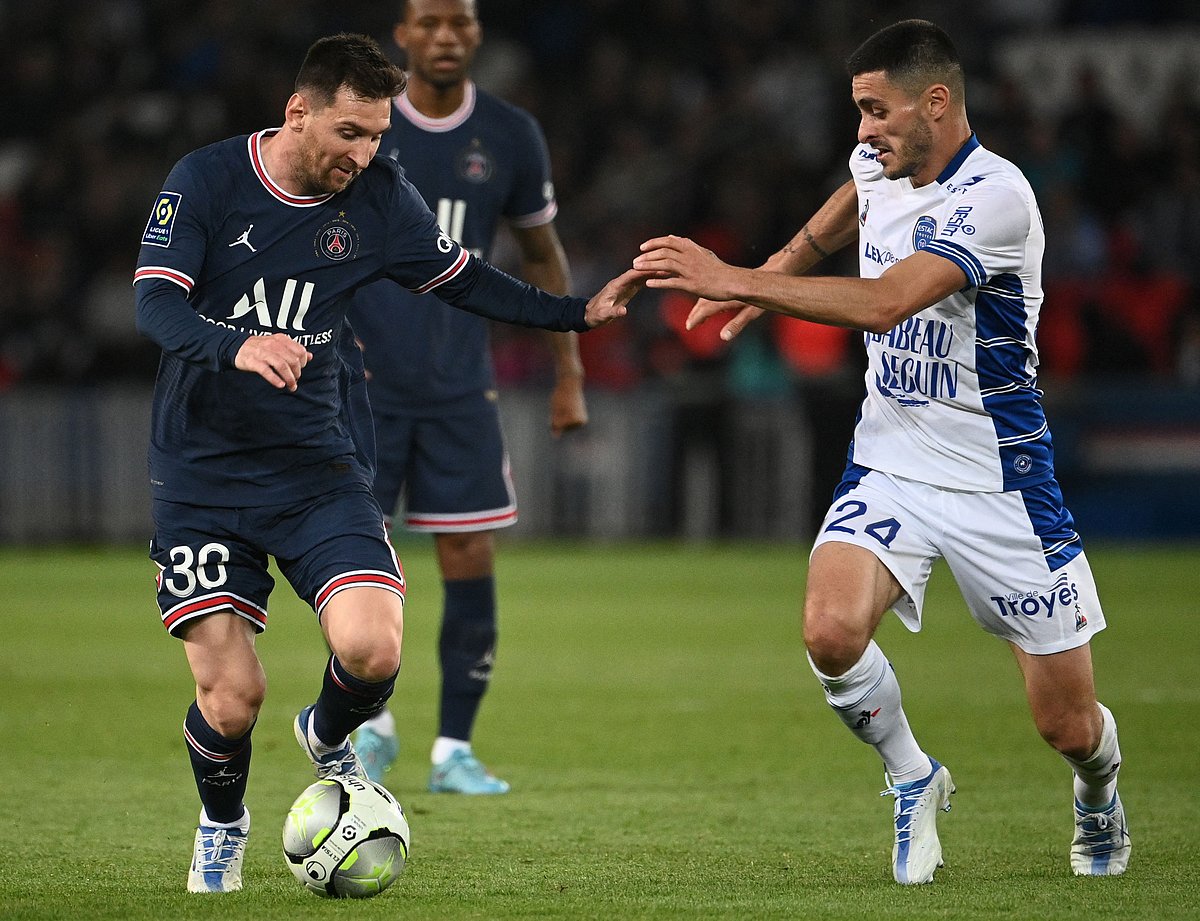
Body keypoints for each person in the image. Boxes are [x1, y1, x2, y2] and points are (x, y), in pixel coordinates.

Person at [133, 32, 641, 894]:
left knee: (370, 648)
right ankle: (223, 822)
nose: (364, 154)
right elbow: (153, 302)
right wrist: (238, 345)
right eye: (349, 133)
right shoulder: (206, 180)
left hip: (315, 466)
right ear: (299, 112)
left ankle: (329, 740)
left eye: (376, 136)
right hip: (202, 478)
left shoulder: (375, 198)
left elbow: (466, 279)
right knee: (231, 699)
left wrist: (576, 315)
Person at [635, 19, 1129, 884]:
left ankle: (1099, 792)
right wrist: (782, 261)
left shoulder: (997, 198)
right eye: (857, 111)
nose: (861, 132)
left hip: (999, 483)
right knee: (829, 630)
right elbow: (848, 205)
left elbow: (886, 303)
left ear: (936, 103)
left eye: (876, 111)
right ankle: (913, 776)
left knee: (1068, 725)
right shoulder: (880, 163)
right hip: (890, 458)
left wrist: (737, 278)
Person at [347, 0, 584, 796]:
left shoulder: (511, 134)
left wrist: (569, 372)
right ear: (403, 34)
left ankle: (454, 748)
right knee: (350, 557)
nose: (446, 36)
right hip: (362, 387)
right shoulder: (368, 125)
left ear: (477, 35)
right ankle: (368, 722)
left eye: (461, 22)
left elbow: (541, 254)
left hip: (458, 385)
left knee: (469, 553)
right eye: (431, 22)